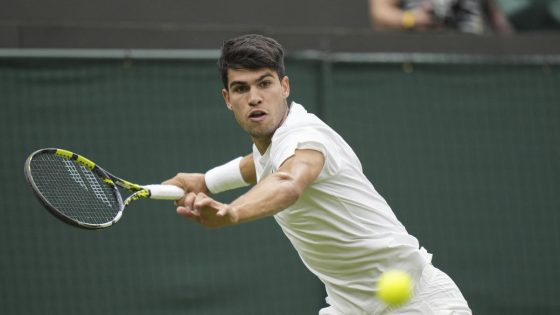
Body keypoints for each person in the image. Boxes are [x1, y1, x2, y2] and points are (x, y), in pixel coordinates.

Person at [163, 34, 472, 314]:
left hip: (419, 304)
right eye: (241, 88)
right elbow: (256, 164)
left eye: (264, 83)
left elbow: (288, 181)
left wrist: (232, 213)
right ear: (228, 99)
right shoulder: (273, 145)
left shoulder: (306, 137)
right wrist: (205, 181)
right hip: (349, 308)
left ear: (284, 87)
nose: (254, 97)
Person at [369, 0, 513, 34]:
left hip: (474, 58)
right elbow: (380, 12)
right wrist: (412, 19)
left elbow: (494, 15)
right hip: (423, 61)